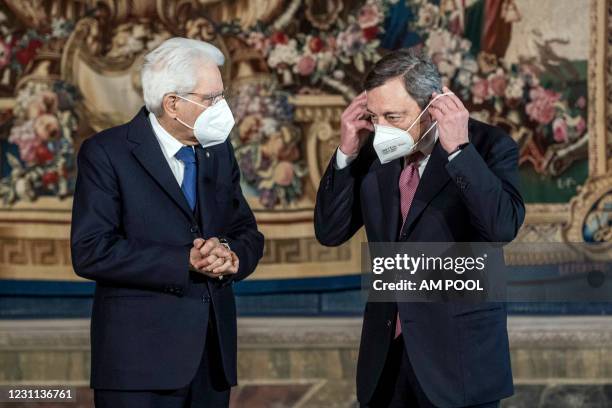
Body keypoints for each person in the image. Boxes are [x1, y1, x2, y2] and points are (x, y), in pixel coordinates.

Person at [314, 49, 525, 407]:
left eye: (393, 116)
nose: (381, 128)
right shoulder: (373, 151)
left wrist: (459, 150)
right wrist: (346, 153)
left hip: (457, 358)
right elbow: (331, 231)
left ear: (432, 106)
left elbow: (501, 227)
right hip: (386, 355)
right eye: (374, 116)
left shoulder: (489, 147)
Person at [70, 37, 264, 407]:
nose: (222, 108)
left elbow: (247, 233)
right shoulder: (107, 153)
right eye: (211, 98)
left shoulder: (218, 151)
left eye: (222, 96)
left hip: (212, 361)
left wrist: (232, 255)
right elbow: (91, 251)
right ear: (172, 103)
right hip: (138, 365)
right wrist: (184, 261)